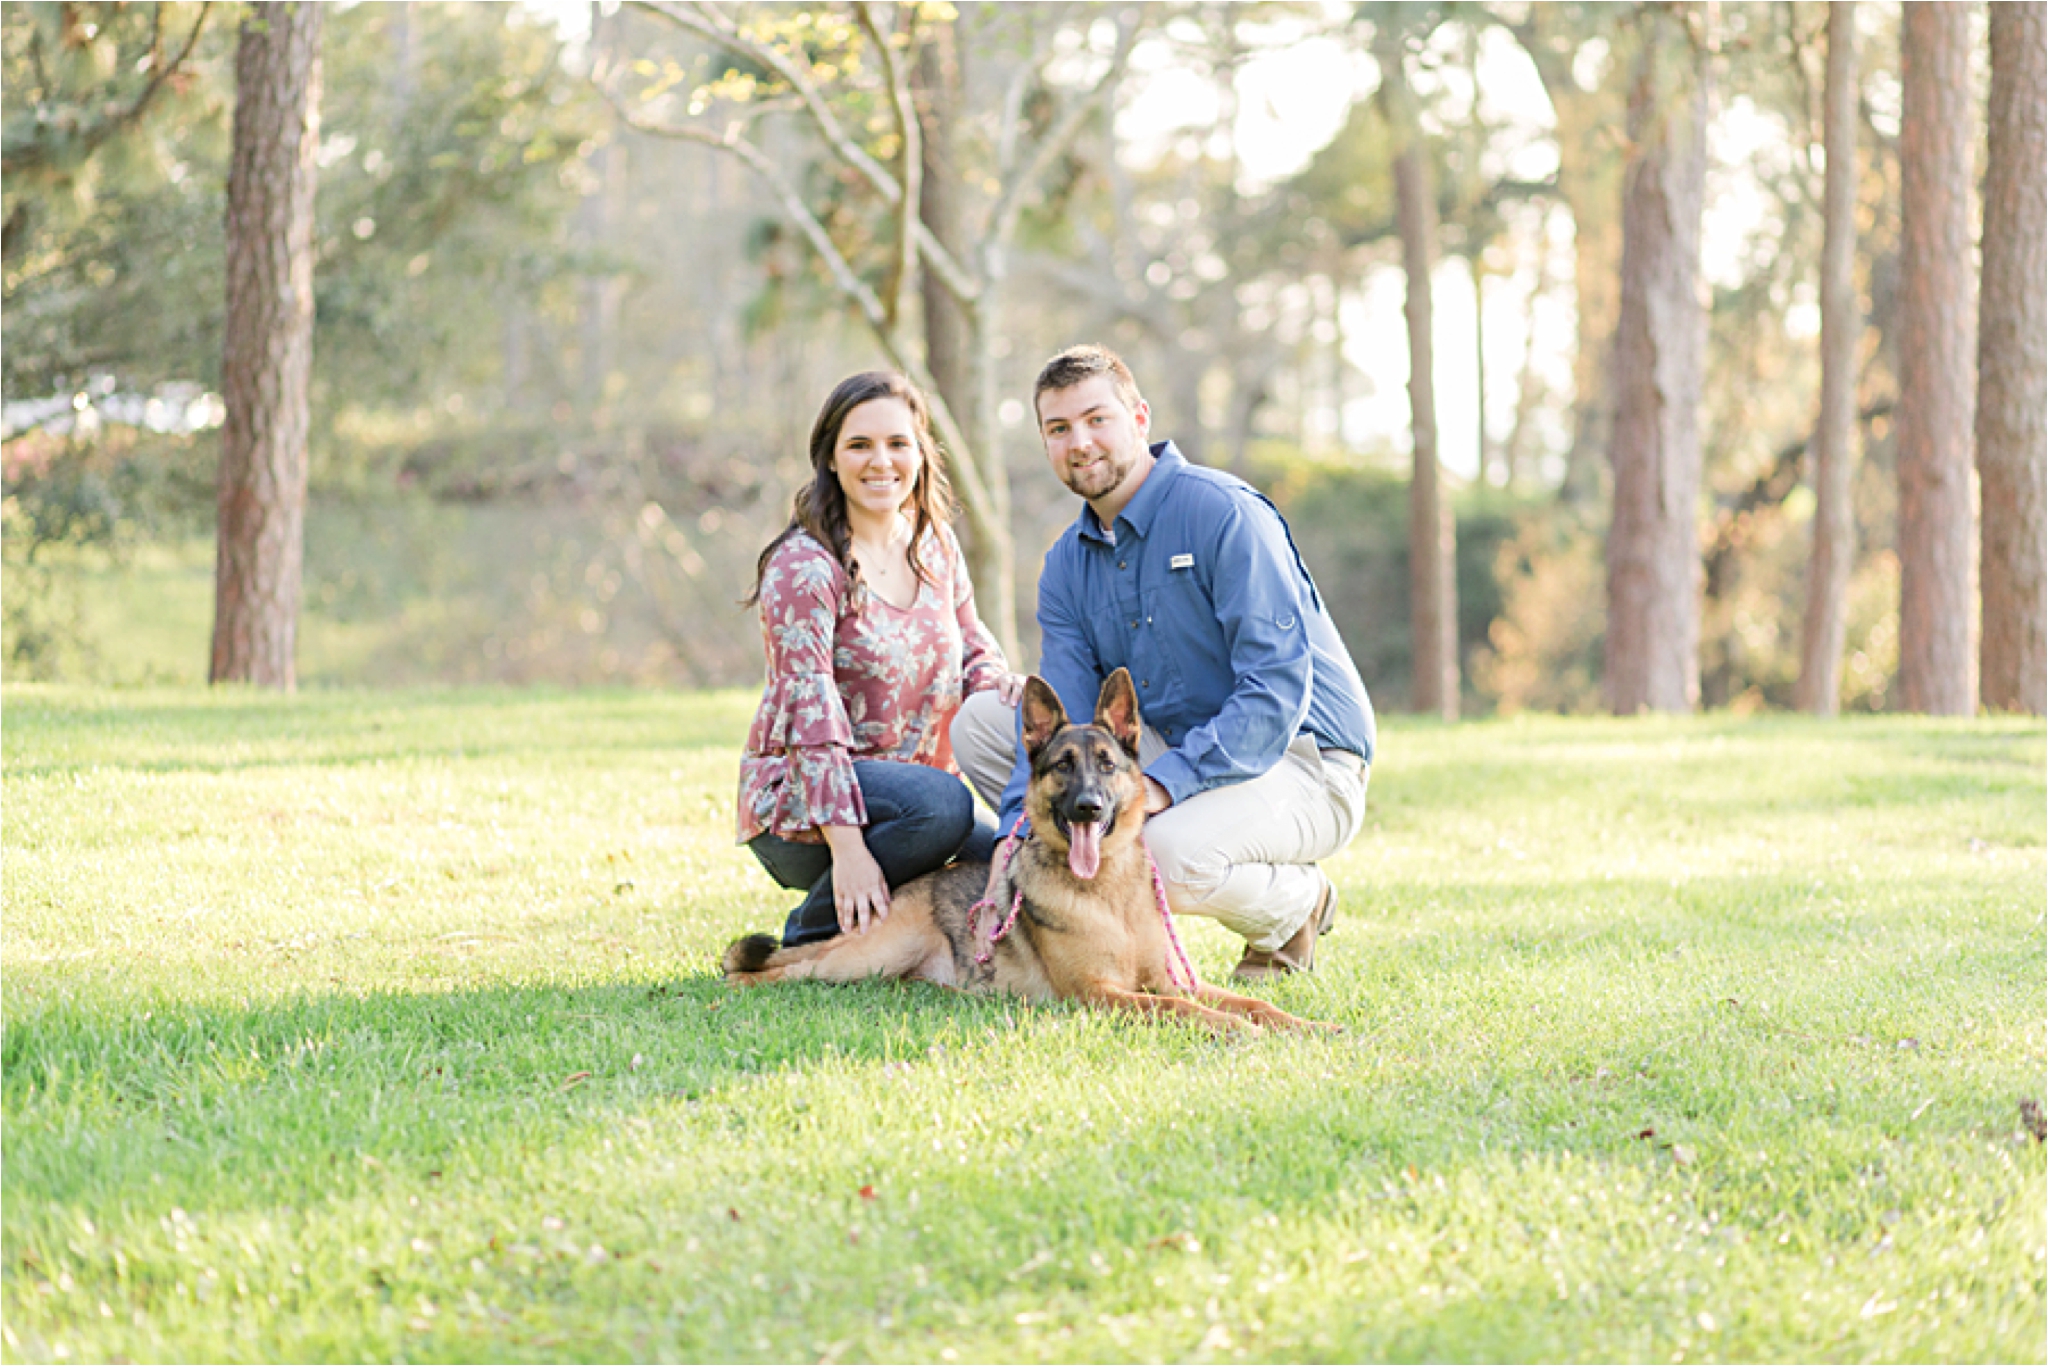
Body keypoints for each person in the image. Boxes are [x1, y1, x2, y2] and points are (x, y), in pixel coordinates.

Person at [951, 344, 1375, 980]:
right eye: (1059, 429)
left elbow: (1273, 694)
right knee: (981, 722)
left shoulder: (1222, 513)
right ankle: (1079, 925)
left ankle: (1298, 905)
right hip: (1178, 746)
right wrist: (1014, 835)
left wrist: (1161, 784)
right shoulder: (1067, 564)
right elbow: (1060, 719)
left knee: (1160, 855)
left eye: (1098, 419)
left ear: (1140, 418)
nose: (1081, 443)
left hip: (1305, 759)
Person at [738, 371, 1022, 948]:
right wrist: (847, 849)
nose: (881, 461)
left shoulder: (935, 545)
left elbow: (973, 648)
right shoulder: (805, 568)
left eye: (898, 443)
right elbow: (811, 722)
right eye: (859, 445)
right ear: (831, 460)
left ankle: (910, 933)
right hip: (805, 807)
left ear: (920, 453)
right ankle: (810, 935)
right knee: (945, 805)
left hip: (916, 804)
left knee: (1006, 863)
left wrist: (1000, 688)